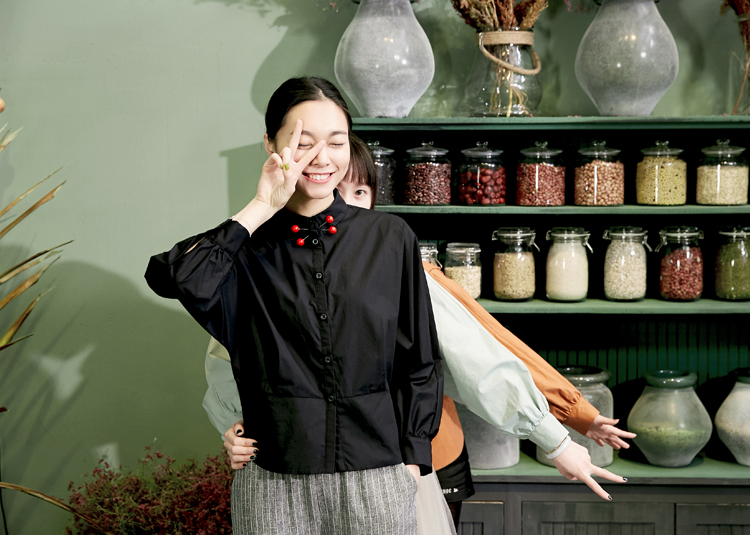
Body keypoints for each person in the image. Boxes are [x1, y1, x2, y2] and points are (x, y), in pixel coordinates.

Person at [203, 135, 634, 532]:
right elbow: (228, 361)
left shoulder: (393, 263)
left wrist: (560, 432)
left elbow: (479, 353)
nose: (342, 204)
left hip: (408, 461)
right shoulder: (265, 267)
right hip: (310, 472)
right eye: (332, 189)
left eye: (359, 192)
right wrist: (236, 428)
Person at [145, 77, 444, 535]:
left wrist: (412, 463)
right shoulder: (243, 249)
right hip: (272, 485)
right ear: (270, 143)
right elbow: (172, 277)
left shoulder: (389, 238)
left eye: (336, 142)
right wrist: (260, 206)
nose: (321, 158)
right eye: (303, 143)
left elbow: (419, 360)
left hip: (377, 479)